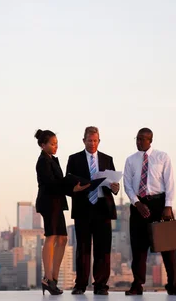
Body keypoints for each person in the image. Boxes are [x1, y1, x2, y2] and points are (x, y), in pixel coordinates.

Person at [123, 128, 176, 296]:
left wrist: (168, 206)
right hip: (138, 207)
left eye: (142, 139)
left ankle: (173, 285)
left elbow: (169, 182)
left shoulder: (162, 157)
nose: (139, 141)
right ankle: (137, 285)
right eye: (137, 138)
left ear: (150, 140)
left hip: (159, 205)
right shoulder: (130, 160)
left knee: (168, 248)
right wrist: (136, 203)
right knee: (139, 248)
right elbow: (127, 185)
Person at [65, 126, 119, 295]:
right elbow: (68, 184)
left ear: (99, 141)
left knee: (103, 249)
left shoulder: (107, 159)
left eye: (95, 140)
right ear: (84, 141)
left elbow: (113, 185)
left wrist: (115, 187)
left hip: (103, 208)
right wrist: (78, 187)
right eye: (89, 140)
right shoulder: (74, 159)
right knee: (82, 248)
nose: (92, 143)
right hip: (83, 208)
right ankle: (80, 284)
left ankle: (101, 285)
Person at [34, 129, 89, 295]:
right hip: (49, 203)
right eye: (52, 143)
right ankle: (48, 278)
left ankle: (53, 278)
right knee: (51, 237)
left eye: (56, 143)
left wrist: (73, 187)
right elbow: (51, 183)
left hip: (57, 203)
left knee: (63, 239)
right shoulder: (43, 161)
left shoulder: (52, 160)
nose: (55, 146)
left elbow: (59, 183)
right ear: (43, 145)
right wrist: (71, 187)